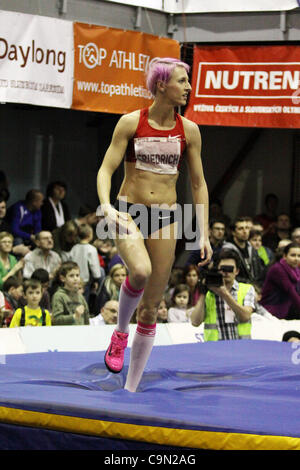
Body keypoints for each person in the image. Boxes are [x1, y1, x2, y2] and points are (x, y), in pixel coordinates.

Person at [96, 57, 212, 392]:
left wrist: (202, 232)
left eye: (187, 81)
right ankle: (120, 333)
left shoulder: (188, 130)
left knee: (150, 310)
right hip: (129, 212)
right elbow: (106, 169)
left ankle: (131, 389)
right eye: (182, 81)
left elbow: (198, 183)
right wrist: (106, 205)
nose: (188, 88)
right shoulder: (131, 122)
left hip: (167, 217)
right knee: (141, 272)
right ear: (161, 85)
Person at [191, 249, 255, 341]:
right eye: (223, 268)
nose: (226, 272)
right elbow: (195, 322)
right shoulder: (209, 293)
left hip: (241, 347)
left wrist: (224, 293)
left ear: (236, 271)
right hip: (215, 349)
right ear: (218, 270)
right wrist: (202, 293)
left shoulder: (247, 289)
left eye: (230, 269)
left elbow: (245, 316)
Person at [260, 242, 300, 320]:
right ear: (285, 256)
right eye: (293, 255)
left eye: (299, 256)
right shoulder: (277, 269)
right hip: (270, 311)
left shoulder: (297, 270)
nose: (296, 258)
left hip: (286, 309)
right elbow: (291, 292)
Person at [223, 217, 265, 286]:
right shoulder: (227, 250)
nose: (245, 231)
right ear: (233, 232)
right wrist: (250, 284)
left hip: (253, 288)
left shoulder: (251, 249)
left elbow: (258, 272)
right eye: (241, 229)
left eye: (247, 228)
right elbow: (229, 275)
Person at [69, 223, 103, 302]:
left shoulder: (74, 248)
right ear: (89, 235)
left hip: (74, 279)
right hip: (86, 280)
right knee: (84, 300)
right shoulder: (91, 249)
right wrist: (97, 279)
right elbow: (94, 267)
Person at [51, 261, 90, 325]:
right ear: (62, 278)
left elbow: (86, 317)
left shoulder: (80, 297)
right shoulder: (59, 296)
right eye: (71, 276)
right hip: (66, 333)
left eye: (77, 275)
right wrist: (74, 316)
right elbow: (56, 320)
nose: (75, 279)